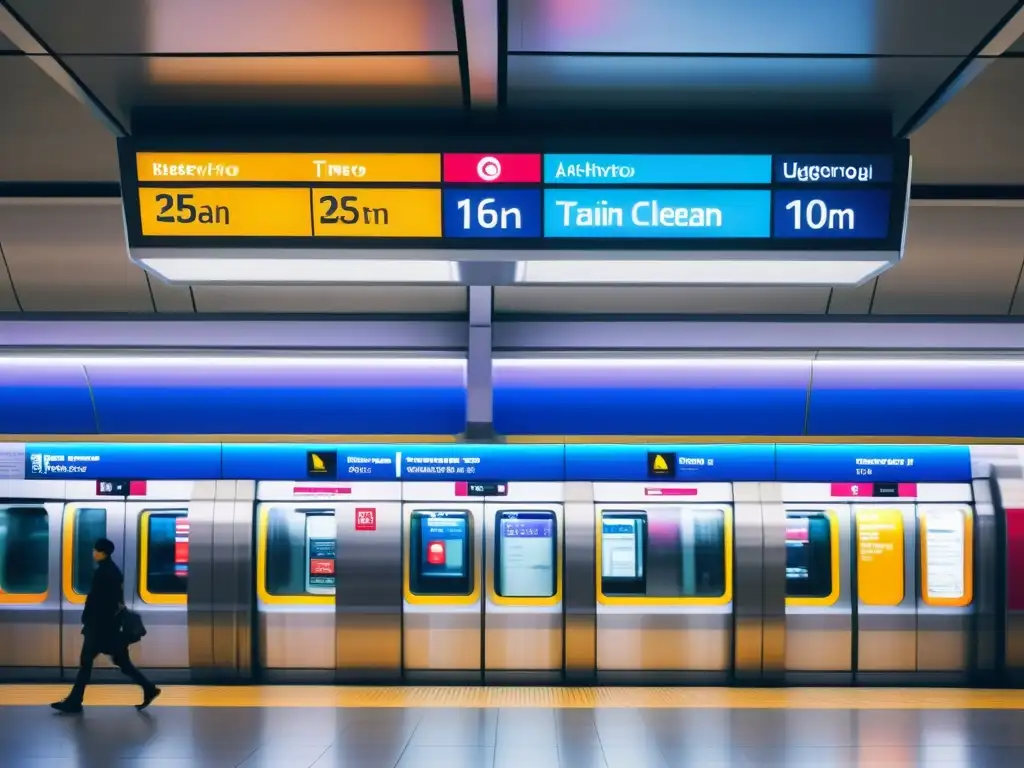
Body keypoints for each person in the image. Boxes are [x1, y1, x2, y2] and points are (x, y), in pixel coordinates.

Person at [51, 538, 161, 713]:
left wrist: (89, 620)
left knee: (87, 662)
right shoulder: (111, 570)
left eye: (95, 550)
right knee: (122, 662)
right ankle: (149, 688)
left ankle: (74, 701)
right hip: (108, 628)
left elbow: (100, 601)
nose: (93, 553)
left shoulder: (104, 573)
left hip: (100, 628)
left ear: (102, 552)